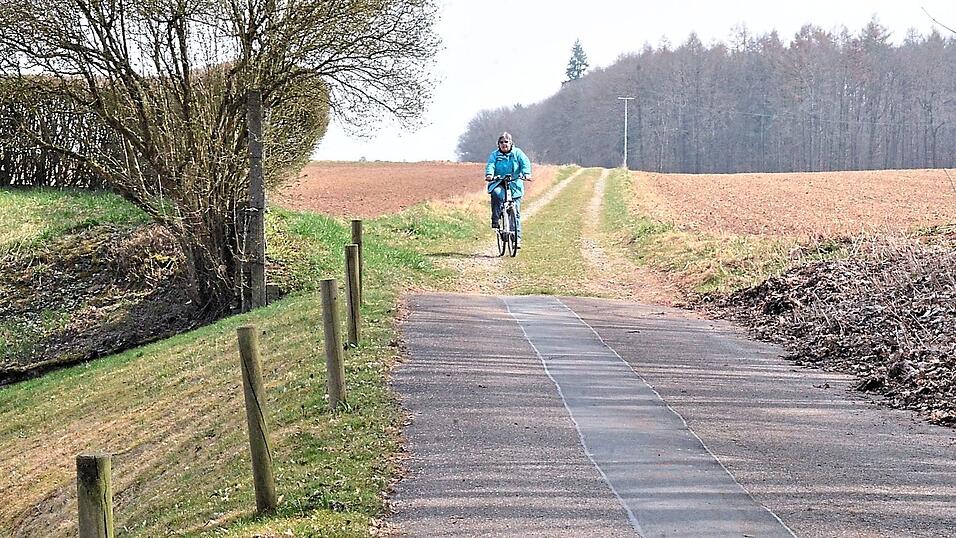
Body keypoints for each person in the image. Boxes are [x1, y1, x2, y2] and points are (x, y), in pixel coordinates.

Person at [485, 132, 532, 248]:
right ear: (498, 144)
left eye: (506, 142)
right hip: (499, 182)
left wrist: (526, 174)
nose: (504, 144)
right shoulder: (495, 155)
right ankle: (496, 220)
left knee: (515, 212)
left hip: (514, 183)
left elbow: (525, 163)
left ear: (511, 143)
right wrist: (490, 174)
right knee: (497, 194)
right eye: (501, 142)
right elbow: (490, 165)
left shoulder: (517, 153)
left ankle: (517, 238)